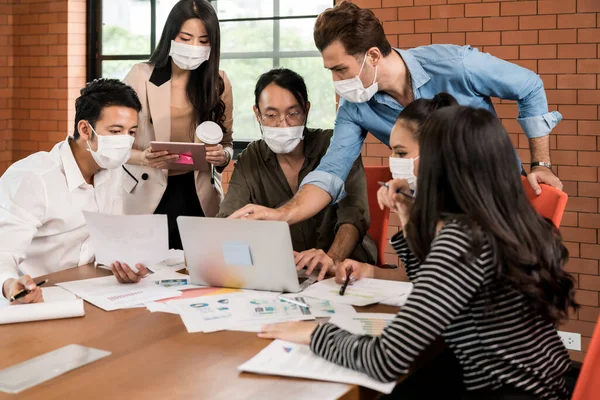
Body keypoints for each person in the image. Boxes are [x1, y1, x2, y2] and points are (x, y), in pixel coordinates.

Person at [257, 106, 578, 399]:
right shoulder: (498, 219)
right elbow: (428, 279)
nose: (395, 164)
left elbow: (385, 360)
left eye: (400, 152)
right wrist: (409, 214)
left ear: (444, 162)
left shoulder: (460, 238)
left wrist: (317, 333)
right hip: (542, 382)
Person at [229, 1, 563, 226]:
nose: (336, 82)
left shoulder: (455, 64)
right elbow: (331, 172)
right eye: (330, 71)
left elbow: (529, 86)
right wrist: (282, 215)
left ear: (373, 55)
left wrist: (541, 164)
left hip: (494, 202)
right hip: (434, 215)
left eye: (341, 69)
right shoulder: (355, 107)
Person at [217, 68, 377, 279]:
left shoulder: (335, 148)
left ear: (306, 110)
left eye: (293, 114)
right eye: (271, 115)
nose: (282, 124)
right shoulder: (252, 157)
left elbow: (354, 216)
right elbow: (229, 218)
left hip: (344, 266)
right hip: (284, 269)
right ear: (257, 114)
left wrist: (332, 257)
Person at [0, 79, 146, 304]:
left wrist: (127, 263)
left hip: (91, 291)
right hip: (36, 298)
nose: (125, 142)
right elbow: (3, 252)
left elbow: (112, 236)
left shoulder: (112, 169)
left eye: (131, 132)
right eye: (116, 131)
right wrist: (9, 284)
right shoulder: (32, 177)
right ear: (85, 129)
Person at [122, 0, 233, 249]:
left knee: (198, 271)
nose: (194, 47)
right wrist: (144, 157)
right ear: (171, 36)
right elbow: (114, 144)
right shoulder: (140, 77)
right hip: (147, 189)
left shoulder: (218, 82)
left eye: (204, 41)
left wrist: (221, 155)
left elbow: (227, 144)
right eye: (186, 38)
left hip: (197, 192)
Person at [335, 92, 458, 281]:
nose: (392, 160)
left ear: (436, 152)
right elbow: (418, 273)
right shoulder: (424, 201)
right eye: (391, 151)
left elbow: (435, 283)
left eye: (401, 153)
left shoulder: (461, 214)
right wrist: (368, 271)